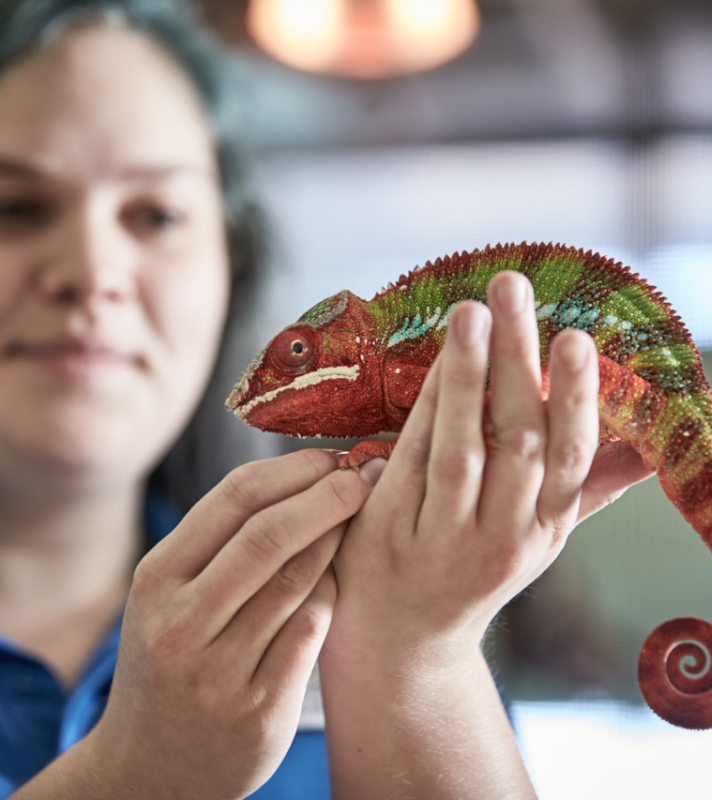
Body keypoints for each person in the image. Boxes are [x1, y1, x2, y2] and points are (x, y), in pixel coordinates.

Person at [0, 0, 654, 797]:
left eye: (157, 214)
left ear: (228, 275)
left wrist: (417, 656)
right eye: (16, 208)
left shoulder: (334, 607)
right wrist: (136, 773)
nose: (92, 271)